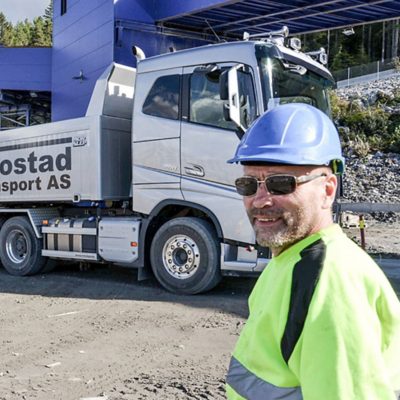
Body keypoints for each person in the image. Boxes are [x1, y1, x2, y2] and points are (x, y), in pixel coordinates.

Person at [225, 103, 400, 400]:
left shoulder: (330, 282)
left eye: (281, 183)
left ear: (328, 190)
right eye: (249, 184)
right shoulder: (292, 258)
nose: (260, 200)